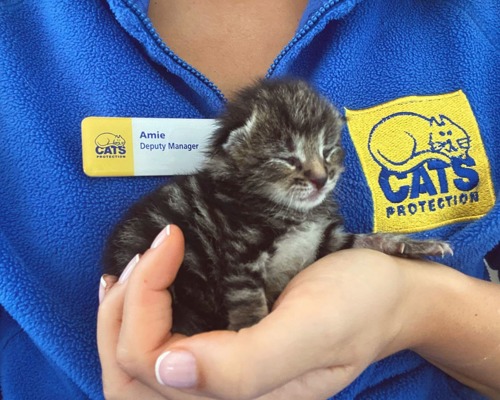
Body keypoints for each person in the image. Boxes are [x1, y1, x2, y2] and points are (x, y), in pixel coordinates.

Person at [0, 0, 498, 399]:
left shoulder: (473, 22)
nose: (321, 176)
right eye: (292, 161)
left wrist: (418, 307)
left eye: (325, 155)